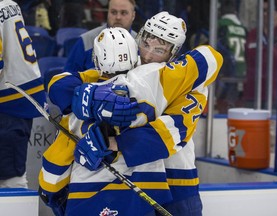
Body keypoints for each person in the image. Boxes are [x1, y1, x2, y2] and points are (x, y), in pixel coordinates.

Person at [39, 13, 223, 216]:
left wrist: (108, 143)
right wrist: (87, 98)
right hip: (141, 181)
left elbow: (172, 132)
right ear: (139, 37)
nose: (148, 55)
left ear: (174, 54)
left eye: (159, 50)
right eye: (146, 44)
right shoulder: (124, 67)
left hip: (178, 181)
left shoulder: (187, 84)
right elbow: (59, 82)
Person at [0, 0, 46, 188]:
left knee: (11, 181)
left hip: (8, 105)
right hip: (20, 98)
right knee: (12, 176)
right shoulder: (9, 3)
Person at [63, 0, 136, 73]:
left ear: (133, 16)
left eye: (124, 13)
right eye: (113, 12)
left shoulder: (140, 44)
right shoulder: (86, 41)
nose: (118, 17)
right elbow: (68, 77)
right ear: (108, 13)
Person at [243, 0, 277, 110]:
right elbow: (247, 59)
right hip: (252, 94)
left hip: (276, 95)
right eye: (262, 11)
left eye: (267, 11)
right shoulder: (253, 34)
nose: (264, 14)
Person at [215, 0, 247, 113]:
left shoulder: (220, 25)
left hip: (227, 73)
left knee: (224, 107)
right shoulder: (243, 28)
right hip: (243, 71)